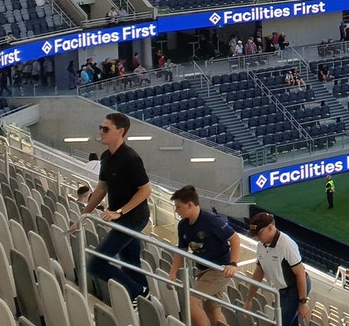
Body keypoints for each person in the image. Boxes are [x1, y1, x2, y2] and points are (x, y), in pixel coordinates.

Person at [77, 112, 152, 300]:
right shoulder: (106, 157)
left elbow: (145, 190)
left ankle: (136, 292)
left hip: (133, 217)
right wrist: (83, 215)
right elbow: (102, 188)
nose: (101, 132)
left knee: (96, 264)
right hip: (120, 216)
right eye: (100, 128)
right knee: (130, 261)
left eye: (106, 129)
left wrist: (119, 212)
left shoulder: (130, 159)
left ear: (120, 131)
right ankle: (144, 299)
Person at [167, 186, 239, 326]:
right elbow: (181, 250)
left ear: (189, 205)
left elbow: (235, 238)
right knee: (212, 310)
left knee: (192, 303)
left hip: (219, 269)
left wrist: (233, 264)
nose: (176, 210)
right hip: (203, 270)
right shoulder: (183, 225)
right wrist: (172, 273)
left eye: (178, 207)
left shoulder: (211, 220)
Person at [246, 212, 308, 326]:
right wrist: (249, 299)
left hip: (294, 288)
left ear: (270, 228)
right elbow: (259, 272)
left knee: (280, 322)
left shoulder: (286, 244)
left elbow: (300, 273)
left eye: (259, 234)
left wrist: (302, 302)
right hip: (281, 289)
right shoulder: (261, 245)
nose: (257, 238)